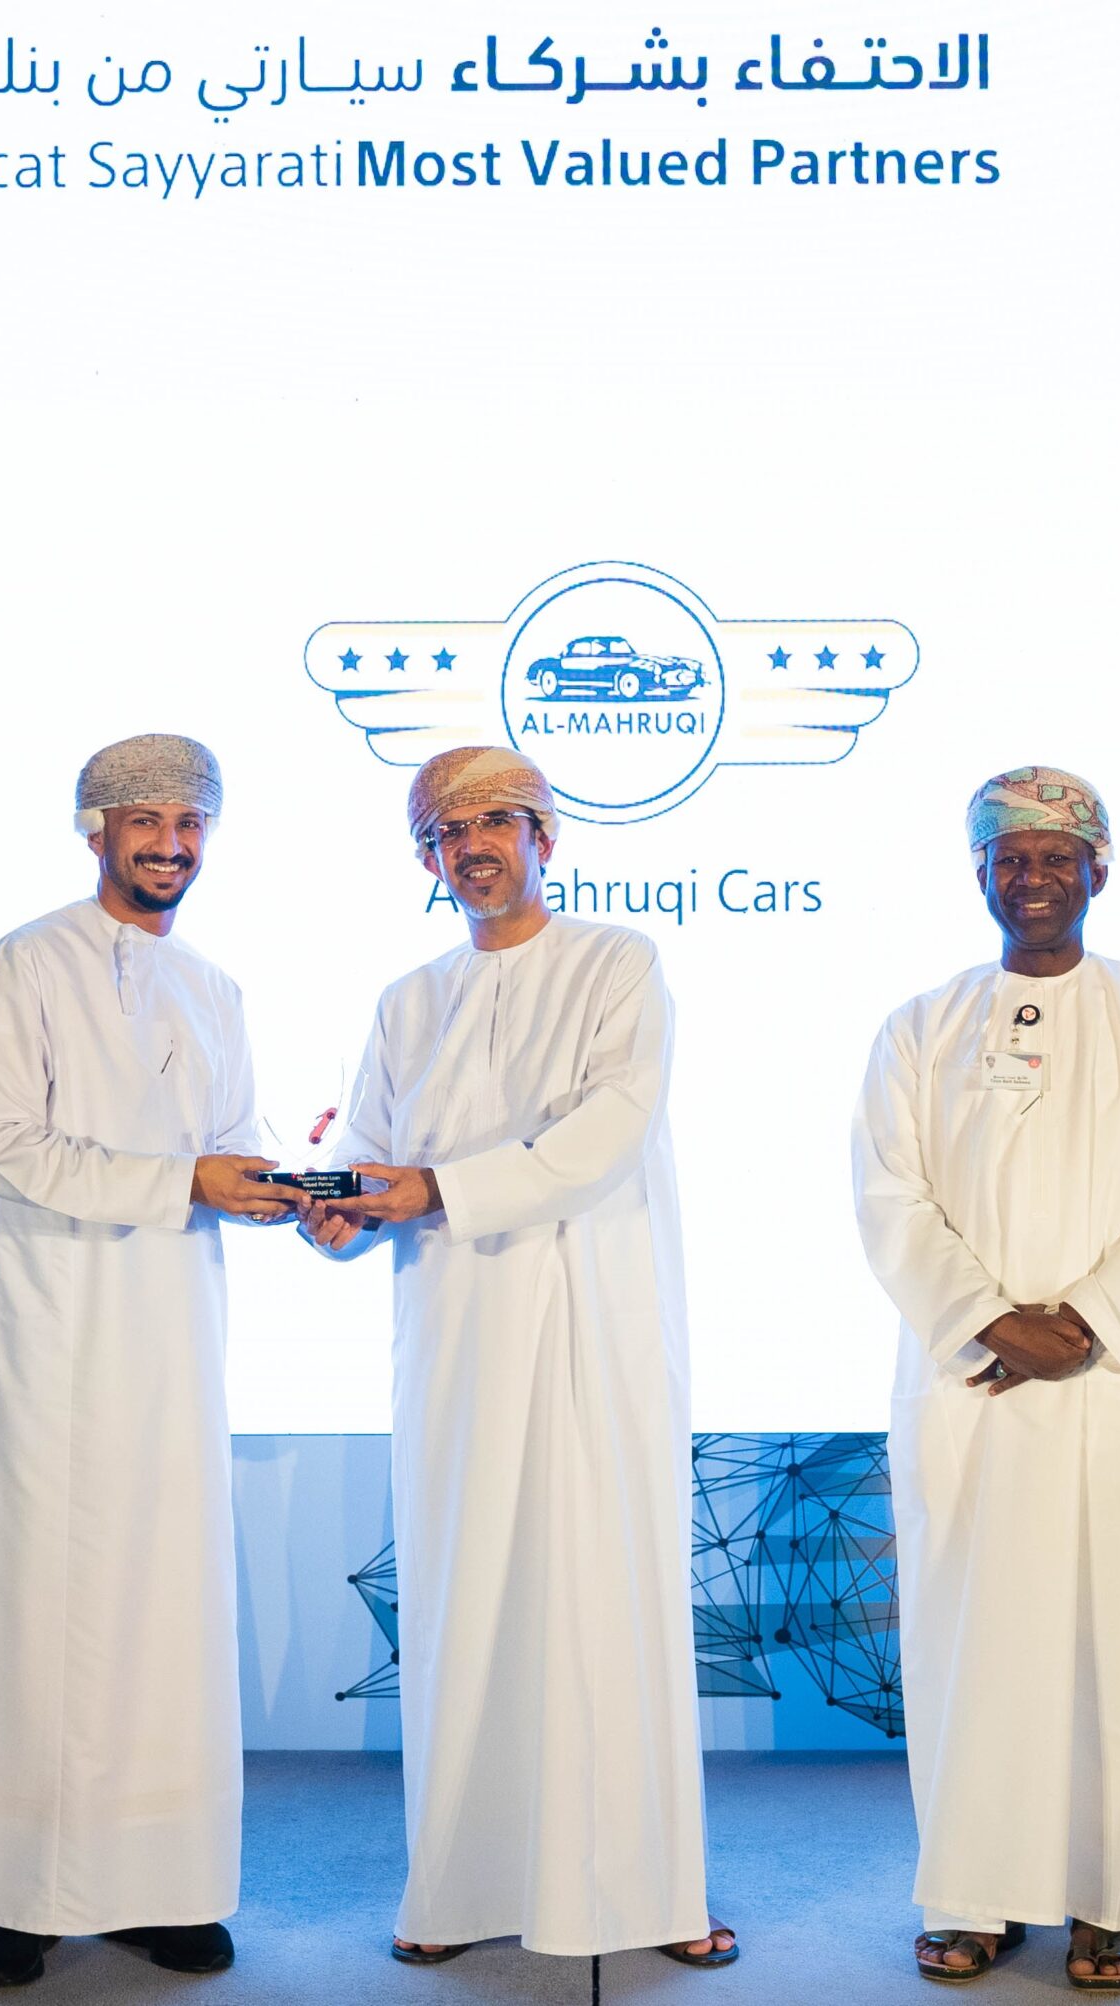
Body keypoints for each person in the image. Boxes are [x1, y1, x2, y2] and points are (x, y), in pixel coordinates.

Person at [298, 745, 735, 1970]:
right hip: (455, 1334)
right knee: (465, 1597)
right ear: (426, 857)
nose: (474, 845)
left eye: (497, 820)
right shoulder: (408, 999)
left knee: (610, 1593)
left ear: (546, 837)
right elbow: (373, 1150)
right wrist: (336, 1210)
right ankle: (456, 1888)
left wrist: (434, 1187)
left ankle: (652, 1894)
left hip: (595, 1318)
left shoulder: (617, 963)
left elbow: (605, 1130)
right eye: (448, 830)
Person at [0, 734, 298, 1990]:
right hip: (43, 1329)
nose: (170, 844)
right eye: (145, 820)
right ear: (95, 829)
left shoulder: (216, 989)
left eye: (190, 822)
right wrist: (185, 1179)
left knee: (162, 1609)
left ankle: (157, 1886)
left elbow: (229, 1144)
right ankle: (16, 1896)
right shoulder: (24, 962)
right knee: (29, 1606)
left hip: (168, 1337)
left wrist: (294, 1191)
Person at [851, 766, 1120, 1993]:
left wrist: (1086, 1319)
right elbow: (887, 1195)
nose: (1031, 878)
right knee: (967, 1642)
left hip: (1106, 1384)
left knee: (1109, 1645)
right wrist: (986, 1318)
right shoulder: (919, 1028)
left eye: (1054, 856)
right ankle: (969, 1896)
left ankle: (1106, 1901)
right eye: (1008, 858)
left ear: (1097, 870)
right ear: (979, 874)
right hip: (969, 1385)